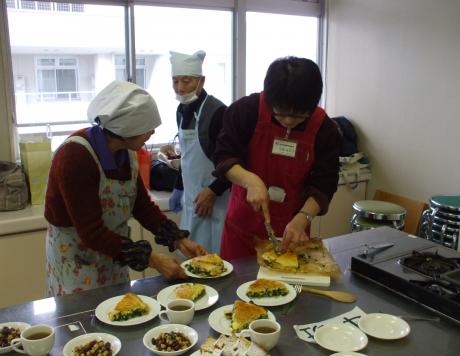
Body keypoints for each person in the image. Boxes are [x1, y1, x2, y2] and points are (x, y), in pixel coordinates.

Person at [44, 80, 206, 296]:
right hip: (76, 258)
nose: (152, 133)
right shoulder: (75, 157)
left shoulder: (126, 153)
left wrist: (178, 239)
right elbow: (91, 232)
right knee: (83, 323)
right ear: (128, 128)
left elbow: (142, 206)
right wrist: (152, 259)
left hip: (115, 253)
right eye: (148, 128)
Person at [213, 56, 341, 260]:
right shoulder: (246, 111)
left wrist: (303, 218)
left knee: (289, 288)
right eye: (281, 113)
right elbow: (223, 156)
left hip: (293, 231)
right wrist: (250, 181)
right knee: (235, 288)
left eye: (299, 115)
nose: (289, 121)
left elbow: (325, 184)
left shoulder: (325, 129)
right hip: (242, 230)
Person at [168, 50, 230, 253]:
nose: (180, 88)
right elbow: (186, 156)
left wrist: (213, 191)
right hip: (191, 200)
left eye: (186, 81)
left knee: (214, 260)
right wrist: (178, 186)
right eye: (175, 81)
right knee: (192, 259)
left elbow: (234, 161)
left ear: (201, 81)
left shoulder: (217, 112)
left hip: (216, 204)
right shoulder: (181, 110)